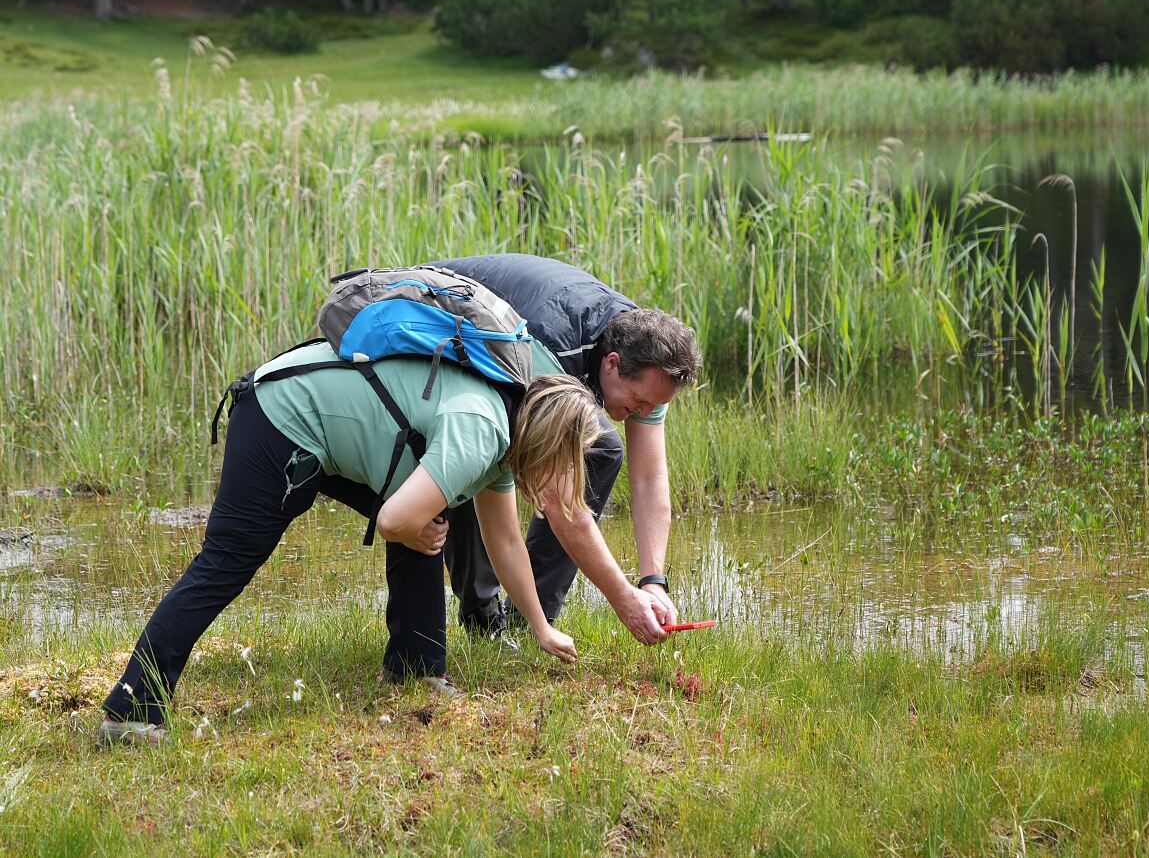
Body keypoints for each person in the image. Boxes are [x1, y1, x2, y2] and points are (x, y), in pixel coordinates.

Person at [98, 340, 597, 745]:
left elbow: (506, 541)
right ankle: (130, 709)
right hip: (279, 415)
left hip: (319, 415)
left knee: (428, 512)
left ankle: (414, 669)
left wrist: (540, 628)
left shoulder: (504, 433)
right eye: (568, 460)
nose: (566, 476)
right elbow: (394, 519)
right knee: (225, 564)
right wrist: (409, 523)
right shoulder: (481, 431)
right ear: (548, 442)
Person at [427, 253, 701, 648]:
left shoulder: (651, 360)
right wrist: (624, 599)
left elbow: (649, 477)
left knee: (603, 449)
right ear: (611, 364)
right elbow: (560, 502)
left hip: (525, 324)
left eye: (651, 407)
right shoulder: (556, 353)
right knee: (478, 454)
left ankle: (531, 620)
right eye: (639, 402)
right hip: (445, 315)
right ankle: (483, 616)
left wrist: (653, 581)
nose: (639, 415)